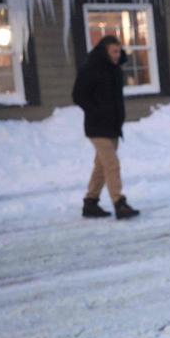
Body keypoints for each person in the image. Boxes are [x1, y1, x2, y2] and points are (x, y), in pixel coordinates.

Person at [72, 35, 140, 220]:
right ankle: (119, 203)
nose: (118, 55)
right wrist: (96, 111)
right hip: (97, 126)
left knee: (101, 166)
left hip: (112, 126)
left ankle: (90, 203)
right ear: (105, 52)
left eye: (119, 51)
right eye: (114, 52)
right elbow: (78, 95)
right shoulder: (90, 69)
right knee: (112, 164)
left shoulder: (115, 70)